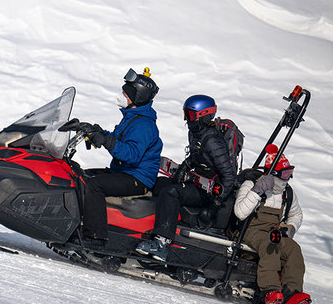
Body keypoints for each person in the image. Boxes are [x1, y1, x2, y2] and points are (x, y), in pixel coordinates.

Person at [135, 94, 236, 261]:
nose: (187, 120)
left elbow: (229, 175)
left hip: (209, 191)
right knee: (157, 183)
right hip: (196, 180)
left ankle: (162, 244)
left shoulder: (212, 140)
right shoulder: (197, 133)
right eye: (185, 114)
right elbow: (199, 155)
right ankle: (137, 224)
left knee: (171, 192)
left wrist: (215, 204)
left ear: (203, 115)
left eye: (189, 115)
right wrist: (185, 166)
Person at [79, 68, 163, 244]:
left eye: (125, 93)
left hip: (137, 179)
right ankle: (80, 223)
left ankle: (96, 237)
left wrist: (105, 141)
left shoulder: (144, 125)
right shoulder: (133, 116)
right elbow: (120, 138)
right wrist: (97, 132)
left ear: (136, 97)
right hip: (124, 172)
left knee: (95, 186)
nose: (121, 96)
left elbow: (132, 154)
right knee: (81, 175)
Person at [233, 144, 311, 304]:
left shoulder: (287, 193)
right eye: (284, 174)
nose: (287, 179)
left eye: (290, 173)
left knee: (293, 249)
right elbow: (240, 212)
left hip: (272, 233)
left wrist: (289, 229)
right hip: (248, 231)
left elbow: (296, 215)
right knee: (271, 245)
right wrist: (257, 190)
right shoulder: (251, 184)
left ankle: (291, 293)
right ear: (273, 174)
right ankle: (270, 291)